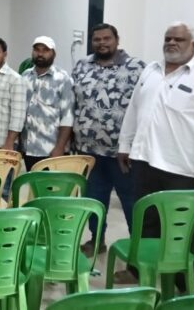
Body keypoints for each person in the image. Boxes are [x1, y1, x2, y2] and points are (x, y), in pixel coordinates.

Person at [118, 22, 194, 287]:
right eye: (168, 38)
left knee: (184, 228)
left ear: (193, 45)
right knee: (145, 220)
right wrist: (125, 144)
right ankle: (138, 271)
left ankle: (184, 281)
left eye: (179, 39)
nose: (172, 43)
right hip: (145, 160)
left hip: (183, 168)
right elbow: (134, 109)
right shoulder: (150, 71)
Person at [72, 23, 144, 258]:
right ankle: (96, 240)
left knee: (130, 201)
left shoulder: (136, 68)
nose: (102, 43)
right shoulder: (82, 66)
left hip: (122, 153)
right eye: (97, 39)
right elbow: (74, 103)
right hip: (88, 151)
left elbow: (144, 107)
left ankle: (137, 248)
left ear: (116, 40)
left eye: (106, 38)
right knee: (94, 199)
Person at [20, 36, 74, 171]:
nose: (40, 54)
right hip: (28, 148)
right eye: (37, 50)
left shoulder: (63, 79)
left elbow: (68, 118)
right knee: (33, 183)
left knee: (51, 185)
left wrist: (60, 148)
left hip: (51, 150)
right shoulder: (25, 76)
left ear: (53, 54)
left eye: (45, 50)